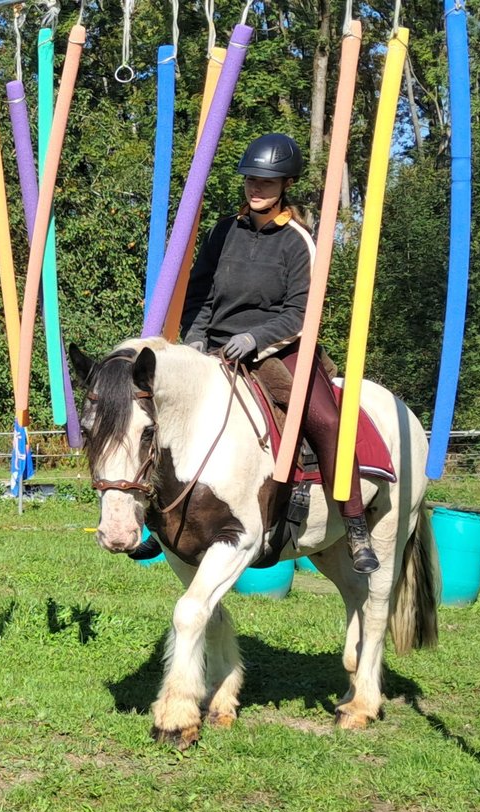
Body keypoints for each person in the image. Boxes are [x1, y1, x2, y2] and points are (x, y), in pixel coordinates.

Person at [178, 133, 379, 575]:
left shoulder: (297, 241)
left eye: (267, 182)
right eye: (251, 180)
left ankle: (355, 521)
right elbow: (200, 295)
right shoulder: (222, 232)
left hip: (280, 348)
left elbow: (301, 312)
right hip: (214, 347)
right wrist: (194, 338)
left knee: (326, 420)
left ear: (286, 184)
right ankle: (157, 519)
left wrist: (255, 340)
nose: (257, 188)